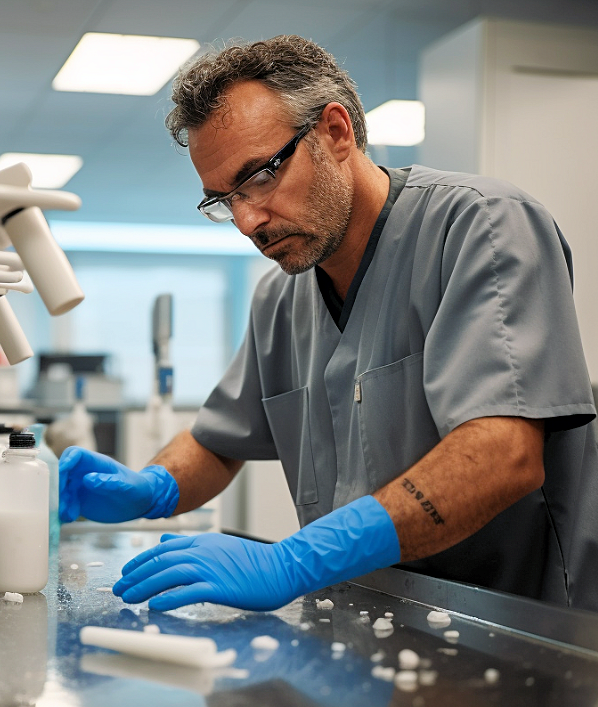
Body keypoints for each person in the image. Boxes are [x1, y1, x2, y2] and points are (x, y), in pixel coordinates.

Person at [59, 35, 598, 614]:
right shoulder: (281, 295)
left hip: (521, 625)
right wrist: (152, 487)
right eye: (223, 199)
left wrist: (296, 560)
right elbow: (220, 441)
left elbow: (502, 455)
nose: (247, 221)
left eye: (260, 176)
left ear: (336, 132)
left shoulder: (481, 229)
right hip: (371, 617)